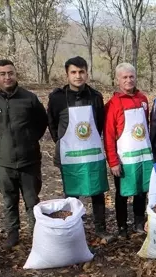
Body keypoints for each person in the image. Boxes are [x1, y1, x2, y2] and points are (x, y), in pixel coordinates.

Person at [0, 59, 48, 250]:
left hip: (29, 160)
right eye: (3, 74)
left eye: (11, 73)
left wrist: (29, 140)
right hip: (2, 162)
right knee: (9, 200)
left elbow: (41, 123)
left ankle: (36, 233)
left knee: (32, 200)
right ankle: (13, 234)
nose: (7, 77)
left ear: (16, 74)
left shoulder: (29, 98)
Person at [47, 56, 111, 240]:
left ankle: (101, 229)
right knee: (72, 194)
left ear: (87, 73)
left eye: (81, 72)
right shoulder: (57, 97)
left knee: (97, 191)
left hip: (92, 152)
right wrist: (63, 143)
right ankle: (74, 228)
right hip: (70, 156)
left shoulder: (95, 96)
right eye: (73, 72)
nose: (78, 76)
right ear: (67, 74)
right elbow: (52, 123)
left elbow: (99, 124)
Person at [104, 62, 153, 234]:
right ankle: (122, 225)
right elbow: (109, 135)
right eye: (124, 77)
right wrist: (113, 161)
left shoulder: (143, 99)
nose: (128, 80)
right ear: (118, 80)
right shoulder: (113, 104)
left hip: (144, 155)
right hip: (124, 158)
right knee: (122, 193)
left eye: (131, 76)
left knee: (142, 190)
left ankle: (139, 222)